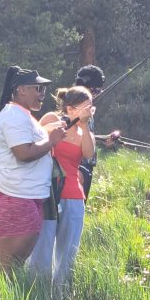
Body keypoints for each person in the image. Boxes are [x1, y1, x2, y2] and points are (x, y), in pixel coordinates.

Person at [0, 66, 66, 274]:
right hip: (10, 196)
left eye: (44, 89)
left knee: (12, 265)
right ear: (21, 90)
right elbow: (23, 153)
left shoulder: (23, 115)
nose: (42, 93)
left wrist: (52, 132)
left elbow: (31, 141)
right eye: (37, 88)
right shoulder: (13, 116)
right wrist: (51, 141)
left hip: (22, 196)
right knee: (8, 265)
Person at [28, 86, 95, 288]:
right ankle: (37, 296)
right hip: (48, 195)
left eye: (90, 107)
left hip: (74, 196)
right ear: (70, 107)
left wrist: (83, 124)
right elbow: (33, 139)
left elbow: (89, 153)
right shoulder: (50, 119)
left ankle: (61, 299)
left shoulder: (84, 131)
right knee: (42, 250)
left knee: (67, 255)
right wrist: (59, 126)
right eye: (85, 106)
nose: (89, 110)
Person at [74, 65, 105, 200]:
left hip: (88, 167)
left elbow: (83, 134)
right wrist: (77, 170)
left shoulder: (87, 108)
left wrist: (104, 139)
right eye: (96, 91)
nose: (97, 94)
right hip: (79, 168)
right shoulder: (72, 107)